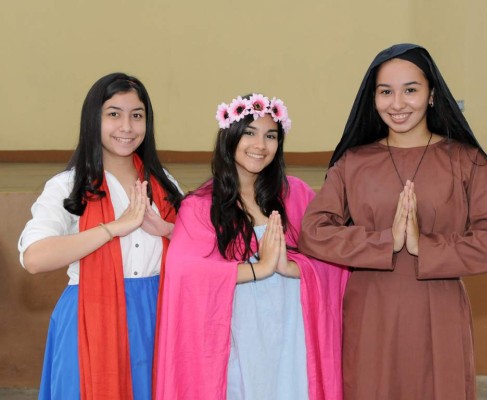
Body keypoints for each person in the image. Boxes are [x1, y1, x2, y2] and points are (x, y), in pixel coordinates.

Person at [298, 43, 487, 399]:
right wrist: (385, 241)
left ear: (432, 94)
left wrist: (424, 246)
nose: (397, 103)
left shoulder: (467, 161)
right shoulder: (352, 163)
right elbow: (313, 232)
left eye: (410, 90)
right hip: (371, 314)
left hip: (440, 310)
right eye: (385, 92)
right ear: (373, 99)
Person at [155, 94, 349, 400]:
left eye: (270, 136)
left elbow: (333, 257)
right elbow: (185, 272)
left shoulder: (297, 193)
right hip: (236, 332)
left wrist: (291, 267)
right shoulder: (201, 205)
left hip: (292, 330)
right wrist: (259, 269)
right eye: (250, 133)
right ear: (230, 137)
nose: (260, 145)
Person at [18, 72, 183, 400]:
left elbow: (200, 249)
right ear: (93, 119)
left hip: (158, 314)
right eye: (113, 114)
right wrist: (111, 229)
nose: (127, 126)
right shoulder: (68, 185)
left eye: (137, 116)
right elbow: (34, 258)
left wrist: (167, 230)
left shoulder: (165, 183)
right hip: (89, 317)